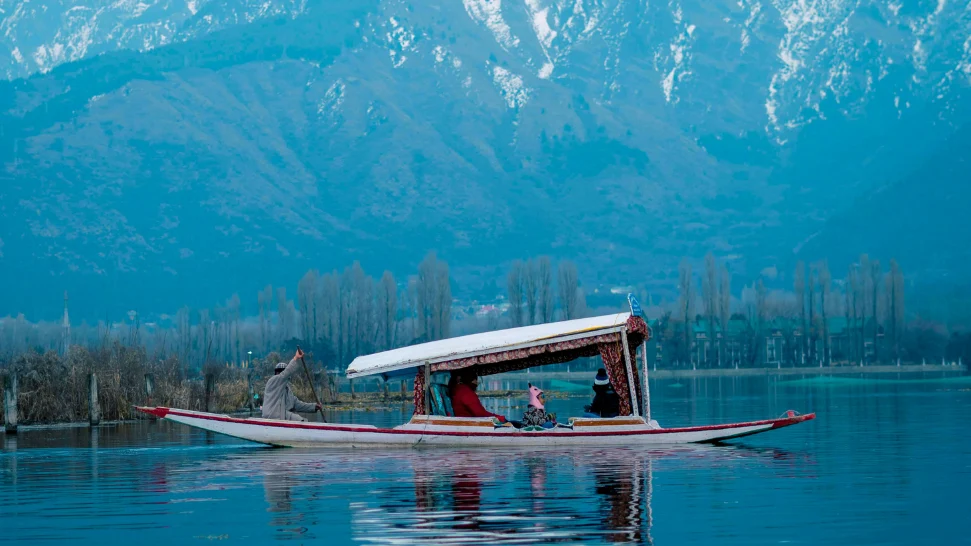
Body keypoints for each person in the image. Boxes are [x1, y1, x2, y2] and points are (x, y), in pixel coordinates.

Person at [262, 348, 321, 421]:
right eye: (278, 372)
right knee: (298, 419)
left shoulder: (287, 390)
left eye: (281, 371)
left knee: (302, 420)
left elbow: (297, 405)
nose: (279, 373)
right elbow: (285, 374)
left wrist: (314, 406)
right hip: (271, 417)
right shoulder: (272, 382)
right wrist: (296, 358)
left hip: (283, 417)